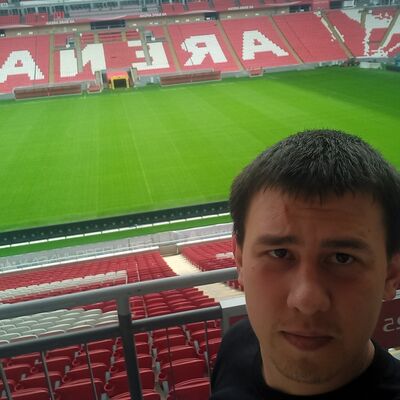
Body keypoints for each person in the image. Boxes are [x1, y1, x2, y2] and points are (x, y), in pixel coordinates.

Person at [210, 129, 400, 399]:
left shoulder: (239, 344)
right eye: (279, 253)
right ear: (239, 259)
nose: (307, 300)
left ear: (391, 274)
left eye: (343, 258)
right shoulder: (236, 344)